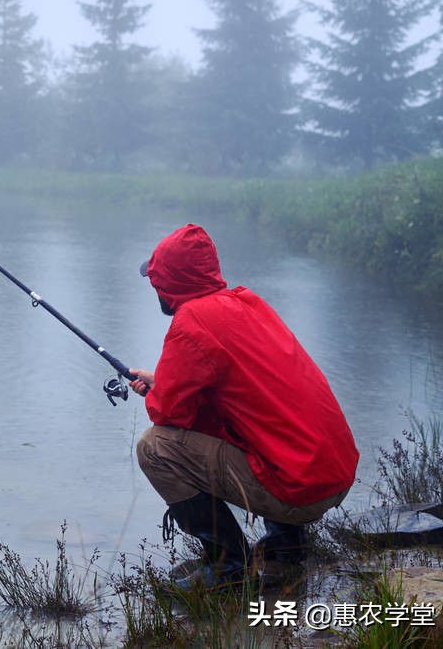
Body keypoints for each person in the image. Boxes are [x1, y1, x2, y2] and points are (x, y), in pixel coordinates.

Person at [129, 223, 358, 590]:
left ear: (168, 282)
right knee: (260, 426)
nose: (153, 287)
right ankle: (287, 544)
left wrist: (158, 393)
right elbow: (237, 395)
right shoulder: (246, 304)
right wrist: (164, 382)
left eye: (156, 280)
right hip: (334, 476)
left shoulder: (191, 323)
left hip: (300, 492)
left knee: (154, 448)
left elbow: (167, 415)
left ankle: (228, 566)